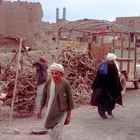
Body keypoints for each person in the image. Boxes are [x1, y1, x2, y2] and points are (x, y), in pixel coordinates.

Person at [37, 63, 74, 140]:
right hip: (50, 111)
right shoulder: (48, 82)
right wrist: (40, 109)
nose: (54, 76)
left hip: (61, 112)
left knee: (56, 131)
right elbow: (44, 96)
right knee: (55, 131)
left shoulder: (65, 83)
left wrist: (68, 116)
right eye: (52, 73)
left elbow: (70, 101)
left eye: (56, 73)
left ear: (61, 73)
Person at [90, 53, 123, 119]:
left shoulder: (108, 65)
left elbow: (116, 77)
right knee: (103, 100)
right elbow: (100, 77)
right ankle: (103, 114)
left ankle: (108, 112)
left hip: (109, 87)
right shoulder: (107, 66)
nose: (113, 61)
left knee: (109, 100)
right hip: (105, 87)